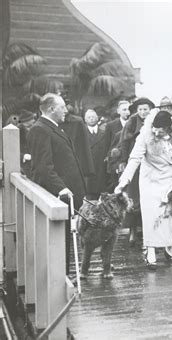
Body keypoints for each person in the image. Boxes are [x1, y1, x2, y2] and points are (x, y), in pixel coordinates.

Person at [115, 110, 172, 268]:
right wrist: (124, 181)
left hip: (169, 178)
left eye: (161, 130)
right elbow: (135, 158)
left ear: (169, 129)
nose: (156, 132)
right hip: (150, 179)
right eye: (155, 129)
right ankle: (150, 250)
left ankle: (169, 248)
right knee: (152, 216)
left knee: (169, 213)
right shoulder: (145, 135)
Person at [27, 93, 86, 274]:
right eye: (62, 107)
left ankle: (64, 277)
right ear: (51, 109)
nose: (66, 111)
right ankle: (60, 279)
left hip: (66, 196)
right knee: (58, 241)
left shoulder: (54, 128)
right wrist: (61, 188)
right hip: (57, 195)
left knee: (64, 240)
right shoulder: (40, 129)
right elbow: (44, 166)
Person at [117, 97, 155, 245]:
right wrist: (123, 161)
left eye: (145, 109)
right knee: (133, 197)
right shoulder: (132, 122)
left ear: (150, 109)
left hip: (150, 164)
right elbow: (124, 143)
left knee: (149, 197)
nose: (143, 112)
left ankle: (147, 231)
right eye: (140, 109)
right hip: (135, 164)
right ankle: (132, 230)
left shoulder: (154, 121)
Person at [104, 100, 130, 191]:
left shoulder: (134, 124)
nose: (127, 112)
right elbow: (107, 145)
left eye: (129, 109)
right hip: (116, 163)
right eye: (124, 109)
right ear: (118, 111)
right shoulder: (111, 126)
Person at [84, 109, 108, 200]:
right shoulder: (82, 134)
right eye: (88, 117)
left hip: (102, 169)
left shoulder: (104, 132)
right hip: (88, 169)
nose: (91, 119)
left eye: (93, 117)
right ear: (85, 120)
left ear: (97, 118)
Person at [17, 109, 36, 177]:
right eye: (28, 127)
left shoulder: (37, 132)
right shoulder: (18, 135)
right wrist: (23, 156)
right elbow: (10, 153)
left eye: (32, 125)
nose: (31, 129)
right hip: (25, 167)